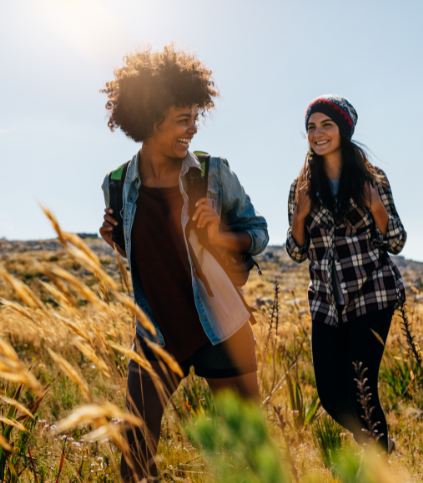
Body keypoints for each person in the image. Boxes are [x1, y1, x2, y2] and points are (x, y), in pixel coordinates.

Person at [98, 45, 268, 482]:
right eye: (182, 120)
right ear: (150, 118)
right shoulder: (117, 184)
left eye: (196, 118)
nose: (192, 129)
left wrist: (221, 235)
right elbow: (146, 255)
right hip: (155, 332)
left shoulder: (213, 173)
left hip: (220, 328)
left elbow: (259, 233)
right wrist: (116, 240)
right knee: (134, 454)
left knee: (253, 452)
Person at [286, 95, 406, 453]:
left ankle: (376, 463)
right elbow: (296, 252)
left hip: (372, 295)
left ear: (344, 130)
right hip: (326, 303)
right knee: (330, 394)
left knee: (362, 387)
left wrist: (377, 209)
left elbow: (397, 240)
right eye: (311, 127)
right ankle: (377, 444)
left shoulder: (372, 179)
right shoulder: (301, 187)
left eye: (326, 125)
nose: (317, 133)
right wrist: (299, 217)